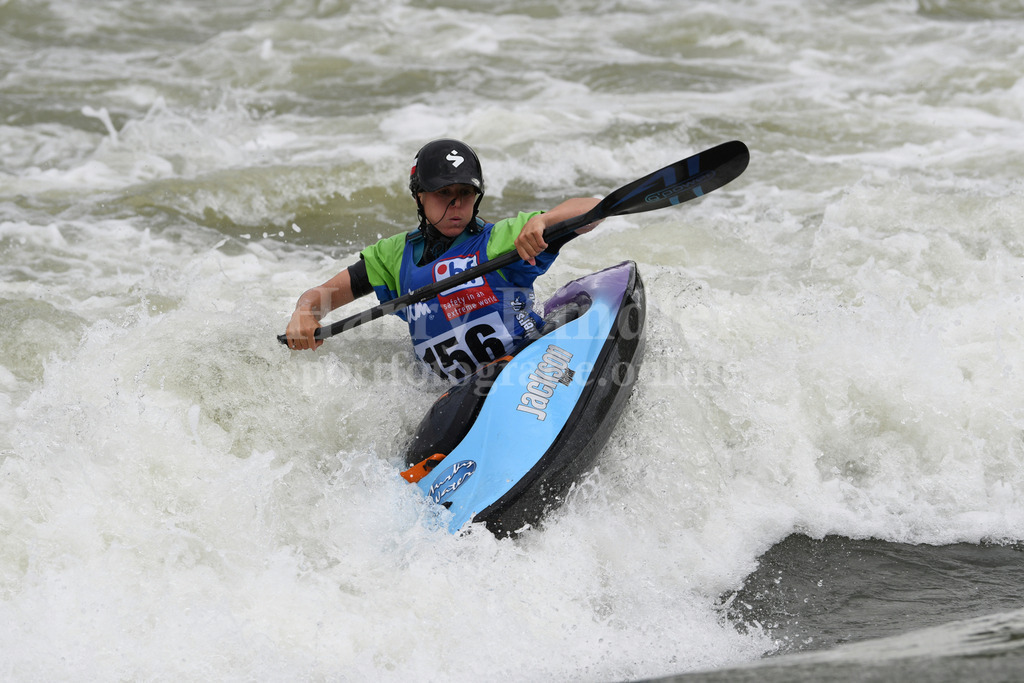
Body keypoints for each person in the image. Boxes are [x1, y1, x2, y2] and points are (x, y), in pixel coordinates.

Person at [284, 138, 600, 380]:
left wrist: (546, 220)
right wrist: (305, 311)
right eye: (443, 193)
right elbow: (321, 297)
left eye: (465, 193)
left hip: (526, 369)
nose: (456, 204)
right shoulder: (393, 256)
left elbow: (593, 209)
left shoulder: (501, 239)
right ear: (419, 196)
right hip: (455, 397)